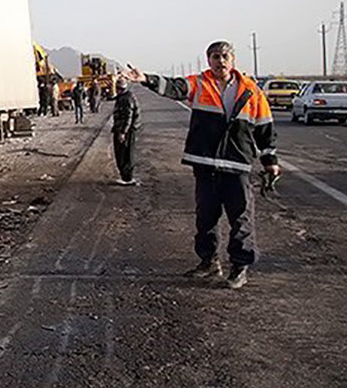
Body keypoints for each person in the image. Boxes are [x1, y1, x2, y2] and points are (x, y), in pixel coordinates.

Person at [122, 40, 279, 290]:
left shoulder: (251, 91)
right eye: (215, 56)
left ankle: (239, 267)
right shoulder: (200, 83)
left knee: (240, 219)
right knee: (205, 218)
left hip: (237, 164)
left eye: (225, 56)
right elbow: (174, 87)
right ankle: (209, 262)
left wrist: (270, 161)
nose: (220, 61)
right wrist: (146, 79)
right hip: (205, 163)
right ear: (209, 60)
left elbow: (265, 128)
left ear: (233, 60)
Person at [112, 77, 139, 184]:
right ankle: (126, 176)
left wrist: (123, 132)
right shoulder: (124, 97)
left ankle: (127, 178)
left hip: (126, 131)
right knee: (124, 153)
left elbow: (128, 116)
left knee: (124, 154)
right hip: (126, 129)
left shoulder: (126, 99)